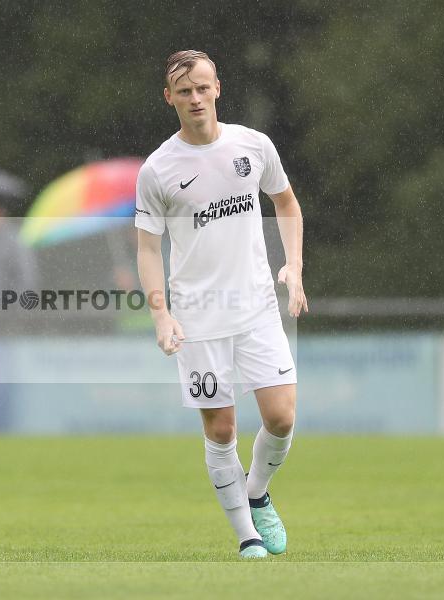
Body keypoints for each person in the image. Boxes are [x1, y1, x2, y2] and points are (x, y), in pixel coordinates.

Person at [135, 50, 308, 559]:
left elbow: (287, 204)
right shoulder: (159, 169)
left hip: (255, 306)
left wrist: (293, 268)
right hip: (198, 316)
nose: (196, 98)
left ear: (218, 89)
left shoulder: (253, 146)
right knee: (223, 428)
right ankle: (246, 536)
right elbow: (147, 247)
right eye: (184, 91)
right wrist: (161, 314)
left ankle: (256, 493)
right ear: (169, 99)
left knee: (281, 417)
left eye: (203, 88)